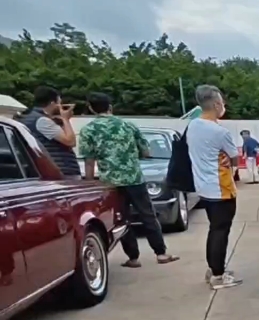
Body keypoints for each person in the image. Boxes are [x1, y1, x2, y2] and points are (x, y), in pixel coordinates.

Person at [79, 93, 180, 268]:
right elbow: (146, 152)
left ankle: (133, 257)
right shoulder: (128, 126)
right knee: (148, 215)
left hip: (110, 182)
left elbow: (89, 160)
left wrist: (90, 182)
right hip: (134, 178)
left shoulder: (88, 130)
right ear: (110, 107)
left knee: (122, 219)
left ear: (90, 107)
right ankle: (161, 253)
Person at [187, 85, 242, 289]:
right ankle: (218, 275)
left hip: (203, 187)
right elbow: (236, 158)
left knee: (214, 229)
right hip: (221, 188)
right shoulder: (220, 131)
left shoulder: (193, 126)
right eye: (222, 103)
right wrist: (229, 159)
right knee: (221, 231)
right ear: (217, 104)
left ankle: (214, 268)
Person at [16, 86, 80, 176]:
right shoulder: (42, 121)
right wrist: (66, 119)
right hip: (61, 169)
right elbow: (70, 141)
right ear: (53, 103)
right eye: (59, 102)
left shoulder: (30, 118)